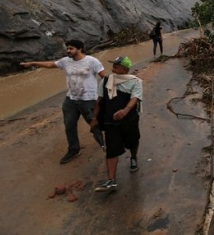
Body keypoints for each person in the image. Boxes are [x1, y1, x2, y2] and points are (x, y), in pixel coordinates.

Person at [20, 39, 105, 164]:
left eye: (71, 48)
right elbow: (50, 65)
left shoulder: (92, 61)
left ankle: (103, 145)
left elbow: (105, 77)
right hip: (70, 100)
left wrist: (105, 96)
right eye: (67, 48)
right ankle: (74, 149)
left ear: (79, 49)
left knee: (94, 125)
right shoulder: (66, 61)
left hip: (88, 100)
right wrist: (32, 63)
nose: (68, 51)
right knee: (69, 126)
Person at [91, 56, 143, 192]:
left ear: (125, 69)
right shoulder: (107, 80)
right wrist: (94, 118)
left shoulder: (135, 82)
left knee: (133, 141)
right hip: (110, 121)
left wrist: (125, 110)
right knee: (111, 150)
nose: (113, 68)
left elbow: (135, 99)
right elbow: (100, 100)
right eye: (113, 65)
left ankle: (133, 158)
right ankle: (111, 180)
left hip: (129, 120)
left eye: (116, 65)